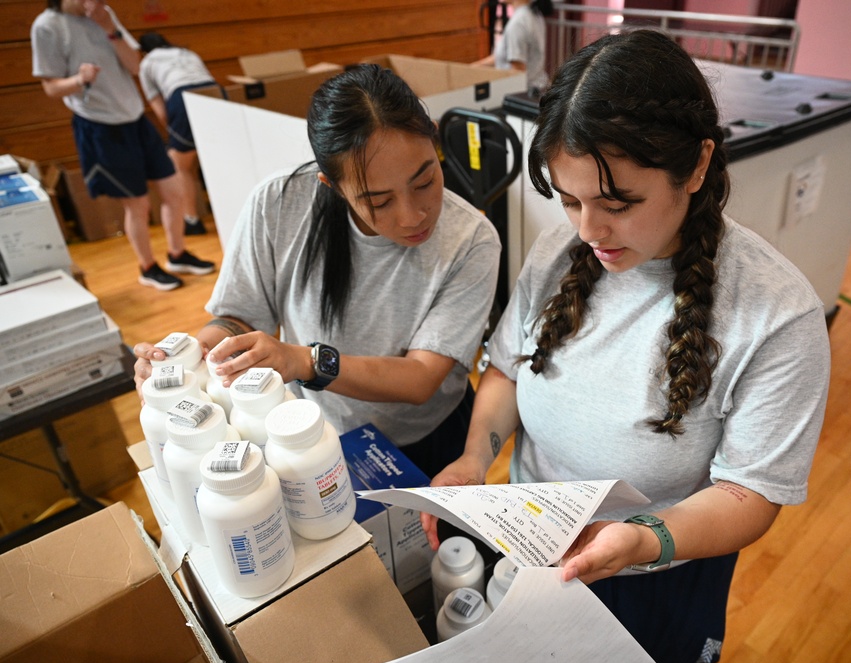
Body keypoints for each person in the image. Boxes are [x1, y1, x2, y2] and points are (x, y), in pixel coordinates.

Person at [424, 30, 831, 663]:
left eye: (618, 203)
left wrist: (642, 541)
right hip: (534, 546)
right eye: (569, 201)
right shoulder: (560, 254)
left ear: (697, 166)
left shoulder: (777, 315)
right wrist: (476, 456)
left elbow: (749, 493)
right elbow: (507, 370)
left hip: (660, 573)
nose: (589, 230)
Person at [132, 64, 502, 478]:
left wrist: (307, 362)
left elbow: (418, 379)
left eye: (425, 180)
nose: (413, 215)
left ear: (434, 141)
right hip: (311, 431)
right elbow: (237, 318)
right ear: (332, 185)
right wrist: (189, 359)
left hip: (429, 438)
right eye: (378, 202)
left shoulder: (471, 238)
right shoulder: (278, 203)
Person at [30, 0, 215, 290]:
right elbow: (51, 87)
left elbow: (135, 66)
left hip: (135, 117)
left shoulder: (104, 14)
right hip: (99, 123)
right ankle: (148, 267)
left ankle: (177, 254)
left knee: (174, 191)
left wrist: (108, 27)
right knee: (138, 204)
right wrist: (79, 79)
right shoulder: (47, 26)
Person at [138, 32, 218, 236]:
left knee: (179, 164)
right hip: (215, 92)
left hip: (182, 97)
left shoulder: (147, 63)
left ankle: (192, 220)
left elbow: (161, 111)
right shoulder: (186, 52)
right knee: (216, 159)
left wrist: (175, 131)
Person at [474, 0, 553, 95]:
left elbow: (518, 70)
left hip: (525, 93)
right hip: (537, 86)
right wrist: (469, 69)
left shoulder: (518, 23)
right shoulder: (533, 13)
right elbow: (503, 56)